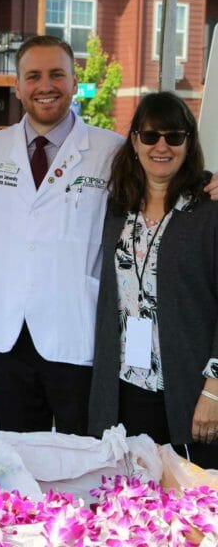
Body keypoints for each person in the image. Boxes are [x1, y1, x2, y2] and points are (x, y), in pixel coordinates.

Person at [0, 35, 123, 435]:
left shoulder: (112, 151)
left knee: (82, 457)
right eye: (33, 76)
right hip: (9, 335)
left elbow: (160, 193)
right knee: (17, 461)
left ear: (75, 82)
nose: (46, 86)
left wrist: (204, 185)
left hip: (76, 328)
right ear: (18, 86)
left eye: (57, 74)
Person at [89, 92, 218, 468]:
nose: (161, 146)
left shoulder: (208, 210)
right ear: (133, 142)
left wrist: (214, 390)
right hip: (126, 388)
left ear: (189, 143)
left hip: (191, 392)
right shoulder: (117, 209)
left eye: (174, 136)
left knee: (191, 508)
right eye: (150, 136)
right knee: (132, 505)